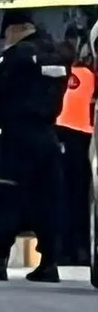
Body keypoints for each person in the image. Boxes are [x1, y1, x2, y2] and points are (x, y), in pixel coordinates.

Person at [0, 9, 71, 283]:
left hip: (17, 135)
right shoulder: (58, 54)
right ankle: (49, 264)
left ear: (15, 29)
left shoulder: (17, 55)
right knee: (47, 200)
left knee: (5, 195)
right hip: (48, 135)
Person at [55, 25, 94, 265]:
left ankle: (73, 249)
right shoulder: (75, 73)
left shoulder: (65, 73)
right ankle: (73, 249)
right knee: (75, 199)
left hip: (79, 141)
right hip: (75, 139)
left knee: (73, 199)